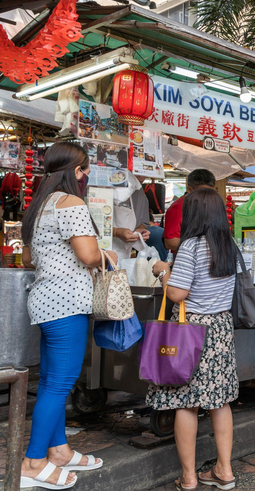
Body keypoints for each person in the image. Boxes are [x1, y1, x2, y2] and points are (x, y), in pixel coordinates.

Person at [19, 142, 114, 490]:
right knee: (59, 384)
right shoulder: (71, 202)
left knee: (51, 382)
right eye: (85, 169)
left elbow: (28, 258)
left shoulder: (39, 206)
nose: (86, 175)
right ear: (76, 171)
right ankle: (33, 463)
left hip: (44, 301)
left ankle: (58, 451)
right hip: (68, 303)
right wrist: (108, 255)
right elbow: (88, 255)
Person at [149, 187, 239, 491]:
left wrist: (163, 272)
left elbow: (177, 293)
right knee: (220, 402)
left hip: (193, 330)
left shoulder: (191, 246)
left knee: (186, 403)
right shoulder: (229, 245)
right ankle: (224, 470)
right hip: (221, 328)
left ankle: (188, 477)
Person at [164, 169, 216, 253]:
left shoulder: (209, 205)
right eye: (202, 193)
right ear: (189, 189)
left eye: (210, 192)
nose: (206, 196)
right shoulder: (178, 208)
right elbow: (170, 242)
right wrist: (201, 247)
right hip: (185, 258)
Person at [111, 172, 151, 261]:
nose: (139, 182)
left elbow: (143, 222)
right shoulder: (100, 188)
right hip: (99, 252)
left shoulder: (139, 193)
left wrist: (140, 232)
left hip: (124, 255)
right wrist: (116, 232)